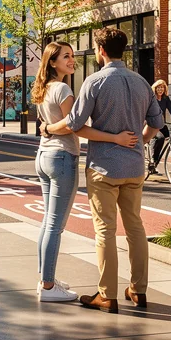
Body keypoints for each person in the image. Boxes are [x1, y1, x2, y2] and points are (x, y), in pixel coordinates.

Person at [43, 28, 163, 314]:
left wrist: (47, 128)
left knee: (105, 231)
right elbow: (156, 123)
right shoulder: (142, 82)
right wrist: (139, 142)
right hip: (134, 166)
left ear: (100, 51)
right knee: (135, 227)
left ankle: (107, 296)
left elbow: (74, 124)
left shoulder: (93, 83)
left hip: (103, 168)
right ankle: (138, 289)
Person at [31, 41, 137, 302]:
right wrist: (115, 138)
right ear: (52, 62)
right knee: (55, 225)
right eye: (65, 56)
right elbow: (74, 125)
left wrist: (46, 128)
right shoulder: (64, 88)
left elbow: (54, 123)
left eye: (71, 55)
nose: (71, 60)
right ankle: (47, 287)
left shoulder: (43, 88)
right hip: (62, 157)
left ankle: (46, 278)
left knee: (47, 222)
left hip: (44, 155)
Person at [149, 80, 171, 175]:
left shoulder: (165, 99)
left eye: (162, 87)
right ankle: (152, 159)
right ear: (155, 88)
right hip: (152, 124)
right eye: (158, 87)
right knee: (159, 138)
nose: (160, 89)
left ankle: (155, 163)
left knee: (169, 139)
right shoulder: (152, 99)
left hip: (161, 124)